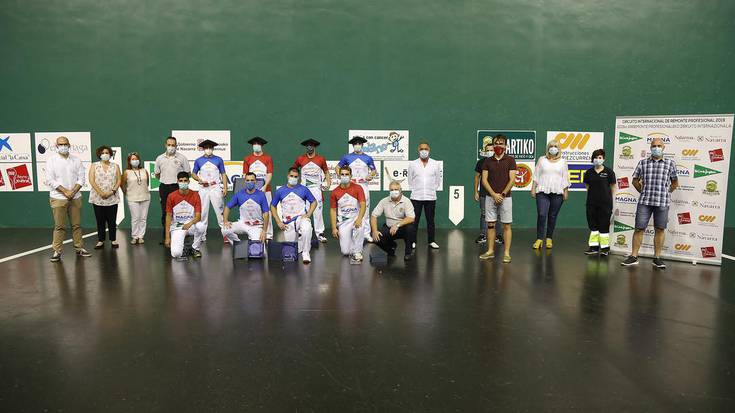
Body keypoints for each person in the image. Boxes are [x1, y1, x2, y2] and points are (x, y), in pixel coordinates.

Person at [621, 137, 678, 268]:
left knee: (660, 229)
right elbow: (635, 180)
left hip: (662, 202)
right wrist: (642, 191)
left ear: (663, 147)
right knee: (639, 228)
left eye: (659, 146)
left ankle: (657, 258)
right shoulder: (643, 163)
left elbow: (675, 182)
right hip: (645, 202)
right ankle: (634, 256)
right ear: (650, 148)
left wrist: (666, 192)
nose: (656, 148)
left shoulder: (670, 164)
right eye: (654, 146)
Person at [46, 136, 92, 262]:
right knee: (59, 226)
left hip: (75, 197)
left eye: (65, 144)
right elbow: (50, 180)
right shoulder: (51, 160)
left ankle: (79, 248)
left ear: (69, 145)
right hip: (58, 198)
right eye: (60, 144)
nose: (63, 146)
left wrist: (73, 191)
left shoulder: (76, 160)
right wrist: (65, 191)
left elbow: (81, 178)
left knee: (76, 225)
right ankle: (57, 251)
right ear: (56, 146)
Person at [479, 134, 516, 263]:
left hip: (506, 198)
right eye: (496, 143)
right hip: (490, 198)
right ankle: (490, 251)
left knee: (506, 225)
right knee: (490, 225)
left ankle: (506, 253)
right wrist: (494, 194)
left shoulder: (510, 160)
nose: (498, 145)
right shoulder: (487, 161)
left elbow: (512, 179)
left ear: (505, 146)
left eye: (501, 143)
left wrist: (503, 194)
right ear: (493, 145)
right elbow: (484, 180)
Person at [271, 168, 317, 264]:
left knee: (307, 228)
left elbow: (314, 202)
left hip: (301, 219)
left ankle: (306, 253)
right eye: (291, 176)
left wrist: (308, 214)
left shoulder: (304, 189)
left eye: (295, 176)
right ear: (288, 176)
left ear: (298, 177)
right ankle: (305, 242)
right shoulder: (280, 191)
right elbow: (272, 206)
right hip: (288, 223)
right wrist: (278, 222)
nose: (293, 178)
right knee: (292, 250)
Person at [337, 136, 377, 242]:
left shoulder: (368, 158)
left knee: (366, 210)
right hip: (352, 186)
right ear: (353, 145)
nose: (357, 145)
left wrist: (371, 175)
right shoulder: (347, 157)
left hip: (363, 186)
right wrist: (340, 176)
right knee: (353, 209)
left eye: (359, 144)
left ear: (362, 145)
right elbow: (338, 167)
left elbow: (374, 170)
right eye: (355, 144)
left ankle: (366, 234)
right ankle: (352, 232)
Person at [531, 140, 569, 250]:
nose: (553, 148)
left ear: (558, 149)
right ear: (548, 148)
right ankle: (539, 238)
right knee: (542, 214)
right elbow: (536, 175)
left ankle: (549, 238)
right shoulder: (542, 160)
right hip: (542, 191)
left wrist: (566, 191)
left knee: (552, 216)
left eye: (555, 146)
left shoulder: (563, 162)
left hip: (557, 192)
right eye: (551, 146)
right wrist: (533, 188)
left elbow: (565, 177)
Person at [292, 138, 331, 243]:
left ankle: (320, 233)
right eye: (307, 145)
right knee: (303, 211)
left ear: (315, 147)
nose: (309, 147)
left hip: (316, 189)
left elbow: (326, 172)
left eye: (311, 145)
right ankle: (302, 232)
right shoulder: (300, 159)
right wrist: (295, 183)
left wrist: (328, 183)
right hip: (304, 189)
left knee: (318, 211)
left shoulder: (321, 159)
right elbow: (294, 171)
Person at [155, 136, 190, 244]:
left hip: (177, 188)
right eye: (169, 145)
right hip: (164, 187)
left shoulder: (182, 158)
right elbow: (157, 174)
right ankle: (166, 237)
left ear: (176, 146)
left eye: (173, 145)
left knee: (179, 212)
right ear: (165, 145)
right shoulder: (159, 158)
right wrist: (166, 179)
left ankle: (180, 236)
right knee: (165, 213)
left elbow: (187, 173)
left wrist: (180, 183)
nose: (171, 147)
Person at [191, 139, 228, 242]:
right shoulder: (198, 160)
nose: (208, 149)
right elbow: (193, 173)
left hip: (215, 187)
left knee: (220, 212)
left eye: (210, 147)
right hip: (203, 189)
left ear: (213, 148)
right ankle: (202, 235)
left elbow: (223, 174)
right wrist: (199, 179)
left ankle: (226, 234)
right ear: (203, 149)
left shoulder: (218, 159)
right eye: (206, 148)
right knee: (203, 213)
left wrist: (225, 187)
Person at [408, 141, 442, 249]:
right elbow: (410, 181)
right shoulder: (413, 164)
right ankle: (413, 241)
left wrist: (431, 190)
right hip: (416, 197)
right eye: (422, 149)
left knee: (430, 221)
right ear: (418, 150)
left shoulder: (435, 164)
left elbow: (437, 181)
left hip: (430, 197)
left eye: (426, 149)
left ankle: (431, 241)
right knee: (414, 220)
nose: (424, 151)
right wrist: (416, 190)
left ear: (429, 150)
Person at [371, 181, 416, 261]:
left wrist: (397, 225)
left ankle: (408, 253)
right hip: (389, 228)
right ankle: (391, 248)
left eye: (396, 189)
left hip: (402, 228)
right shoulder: (384, 201)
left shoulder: (406, 201)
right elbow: (374, 215)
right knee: (375, 237)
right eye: (391, 190)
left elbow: (411, 218)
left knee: (410, 228)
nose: (394, 191)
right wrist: (374, 231)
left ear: (400, 190)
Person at [165, 172, 205, 259]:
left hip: (191, 225)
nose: (183, 182)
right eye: (181, 181)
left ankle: (195, 248)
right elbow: (168, 217)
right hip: (177, 226)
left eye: (185, 180)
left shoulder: (195, 195)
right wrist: (167, 237)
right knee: (176, 254)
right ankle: (183, 247)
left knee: (201, 226)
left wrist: (189, 224)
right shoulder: (171, 196)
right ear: (177, 182)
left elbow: (198, 217)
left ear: (189, 181)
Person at [329, 166, 366, 261]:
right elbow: (333, 210)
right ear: (339, 176)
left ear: (350, 176)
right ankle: (353, 244)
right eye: (342, 174)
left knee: (360, 227)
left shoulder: (358, 188)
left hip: (355, 218)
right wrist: (334, 228)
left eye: (347, 174)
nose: (344, 176)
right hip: (343, 222)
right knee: (345, 252)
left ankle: (358, 251)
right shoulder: (335, 192)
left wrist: (359, 219)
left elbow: (363, 205)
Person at [583, 149, 616, 256]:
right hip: (591, 204)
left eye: (600, 157)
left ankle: (605, 249)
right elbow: (587, 186)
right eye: (596, 157)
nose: (597, 159)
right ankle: (594, 248)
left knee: (604, 226)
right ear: (592, 159)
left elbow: (613, 187)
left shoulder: (609, 172)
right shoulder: (588, 173)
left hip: (605, 204)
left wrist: (611, 200)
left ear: (604, 159)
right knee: (593, 226)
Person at [88, 145, 122, 249]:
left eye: (107, 153)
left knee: (112, 220)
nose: (105, 154)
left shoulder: (115, 166)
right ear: (99, 155)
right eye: (102, 153)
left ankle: (113, 240)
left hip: (112, 198)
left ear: (110, 154)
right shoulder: (94, 165)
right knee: (100, 220)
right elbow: (91, 180)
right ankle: (100, 240)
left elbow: (119, 180)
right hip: (98, 198)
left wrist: (112, 191)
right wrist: (101, 193)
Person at [221, 172, 270, 243]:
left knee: (257, 247)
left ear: (255, 181)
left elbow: (266, 214)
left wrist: (264, 231)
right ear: (245, 181)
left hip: (256, 226)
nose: (250, 182)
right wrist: (225, 221)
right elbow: (227, 207)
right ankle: (237, 244)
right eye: (247, 180)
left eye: (252, 180)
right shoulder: (239, 194)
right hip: (243, 224)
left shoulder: (261, 195)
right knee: (224, 229)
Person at [243, 136, 274, 240]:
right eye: (254, 144)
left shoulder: (268, 158)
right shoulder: (247, 159)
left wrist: (265, 186)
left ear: (262, 146)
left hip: (266, 190)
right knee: (252, 211)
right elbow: (245, 175)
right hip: (252, 190)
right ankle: (252, 233)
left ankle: (268, 235)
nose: (256, 146)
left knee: (267, 211)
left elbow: (269, 174)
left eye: (258, 144)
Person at [121, 152, 150, 245]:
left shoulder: (144, 171)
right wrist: (126, 193)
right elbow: (122, 184)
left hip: (145, 197)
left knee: (143, 218)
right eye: (132, 159)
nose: (135, 161)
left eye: (136, 159)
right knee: (135, 218)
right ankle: (135, 236)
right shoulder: (126, 172)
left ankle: (141, 236)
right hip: (132, 198)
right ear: (129, 161)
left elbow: (147, 183)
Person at [474, 136, 492, 244]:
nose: (490, 152)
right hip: (484, 193)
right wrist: (476, 191)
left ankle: (498, 236)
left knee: (498, 215)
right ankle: (483, 235)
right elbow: (477, 177)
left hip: (496, 193)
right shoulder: (480, 162)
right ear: (485, 151)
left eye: (491, 150)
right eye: (488, 150)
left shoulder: (498, 162)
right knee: (484, 214)